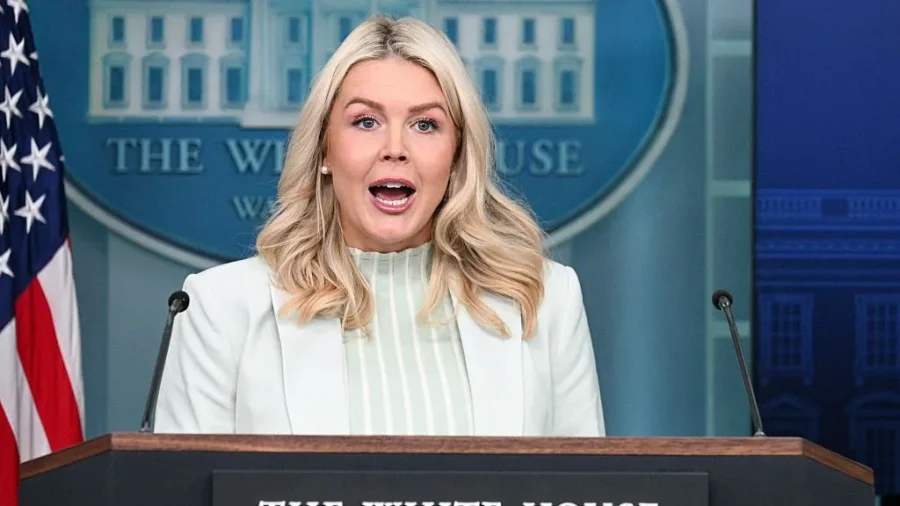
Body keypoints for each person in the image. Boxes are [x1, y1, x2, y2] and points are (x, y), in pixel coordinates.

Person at [153, 15, 605, 437]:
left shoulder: (546, 300)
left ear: (456, 156)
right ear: (324, 150)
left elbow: (588, 486)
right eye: (366, 121)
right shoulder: (220, 309)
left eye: (425, 124)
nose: (395, 147)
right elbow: (184, 484)